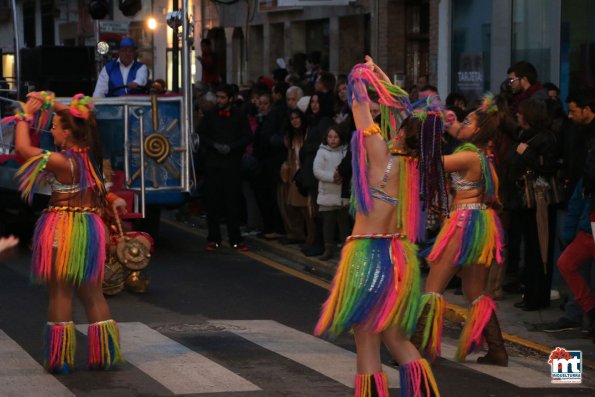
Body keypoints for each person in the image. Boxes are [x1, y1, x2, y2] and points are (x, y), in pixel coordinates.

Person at [315, 57, 441, 396]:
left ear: (401, 132)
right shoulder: (415, 167)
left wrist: (360, 76)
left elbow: (361, 110)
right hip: (399, 258)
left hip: (367, 255)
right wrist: (380, 77)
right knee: (396, 337)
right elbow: (401, 107)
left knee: (366, 340)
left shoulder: (382, 156)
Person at [14, 92, 124, 373]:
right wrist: (50, 104)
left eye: (54, 127)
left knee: (60, 294)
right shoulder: (88, 157)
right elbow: (80, 119)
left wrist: (24, 116)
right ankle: (106, 355)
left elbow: (25, 150)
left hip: (61, 230)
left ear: (66, 133)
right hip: (89, 230)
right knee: (93, 295)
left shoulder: (62, 163)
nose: (51, 130)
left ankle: (61, 359)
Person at [413, 94, 509, 367]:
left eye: (467, 121)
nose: (461, 124)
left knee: (433, 286)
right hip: (479, 224)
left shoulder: (468, 156)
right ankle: (497, 350)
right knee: (475, 290)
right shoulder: (484, 159)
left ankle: (416, 349)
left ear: (477, 130)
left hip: (462, 223)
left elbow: (430, 164)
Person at [197, 84, 251, 251]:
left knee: (232, 203)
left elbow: (247, 136)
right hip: (213, 164)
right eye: (218, 97)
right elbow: (201, 134)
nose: (219, 100)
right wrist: (214, 145)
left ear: (230, 99)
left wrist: (232, 147)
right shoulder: (210, 115)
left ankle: (235, 238)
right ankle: (213, 238)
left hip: (232, 165)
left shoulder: (240, 116)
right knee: (212, 203)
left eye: (222, 97)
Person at [313, 125, 350, 260]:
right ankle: (328, 248)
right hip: (327, 193)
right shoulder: (322, 152)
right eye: (330, 137)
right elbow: (317, 171)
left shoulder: (345, 151)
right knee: (328, 224)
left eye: (336, 137)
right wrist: (332, 177)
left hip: (342, 194)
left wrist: (342, 177)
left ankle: (346, 251)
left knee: (343, 223)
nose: (333, 140)